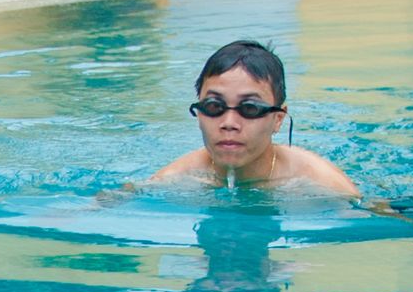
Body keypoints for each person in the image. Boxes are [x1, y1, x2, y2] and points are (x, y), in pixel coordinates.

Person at [141, 40, 360, 198]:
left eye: (250, 108)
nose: (229, 123)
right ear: (199, 114)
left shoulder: (322, 184)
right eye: (214, 106)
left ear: (278, 119)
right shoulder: (174, 178)